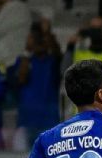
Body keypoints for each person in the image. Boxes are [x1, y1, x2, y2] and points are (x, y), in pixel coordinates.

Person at [7, 21, 64, 149]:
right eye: (36, 39)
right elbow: (21, 78)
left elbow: (57, 54)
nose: (39, 42)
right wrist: (27, 50)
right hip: (26, 122)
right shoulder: (23, 61)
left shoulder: (52, 61)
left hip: (49, 123)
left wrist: (47, 33)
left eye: (41, 39)